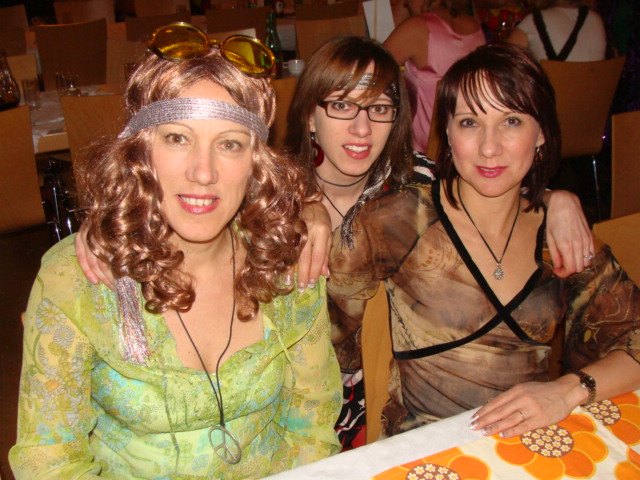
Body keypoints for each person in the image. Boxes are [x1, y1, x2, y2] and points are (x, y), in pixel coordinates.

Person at [76, 36, 593, 449]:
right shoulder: (260, 189)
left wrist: (556, 198)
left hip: (387, 400)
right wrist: (107, 226)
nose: (362, 128)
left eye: (381, 108)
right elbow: (180, 203)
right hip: (278, 394)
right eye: (342, 105)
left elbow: (491, 179)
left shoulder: (413, 183)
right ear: (309, 115)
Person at [9, 24, 341, 479]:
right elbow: (49, 461)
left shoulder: (286, 265)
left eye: (229, 144)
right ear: (139, 152)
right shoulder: (79, 279)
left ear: (255, 163)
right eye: (177, 138)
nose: (203, 173)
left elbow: (313, 420)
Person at [327, 42, 640, 441]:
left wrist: (566, 391)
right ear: (448, 132)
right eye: (469, 122)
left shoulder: (561, 237)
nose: (489, 148)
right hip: (429, 450)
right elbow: (319, 333)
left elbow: (633, 337)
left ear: (541, 133)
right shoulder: (400, 219)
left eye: (511, 121)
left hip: (534, 444)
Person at [384, 0, 485, 153]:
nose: (405, 4)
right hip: (467, 138)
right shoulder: (473, 25)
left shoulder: (418, 28)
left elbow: (370, 70)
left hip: (423, 149)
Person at [507, 0, 606, 61]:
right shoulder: (596, 20)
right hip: (593, 89)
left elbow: (505, 58)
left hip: (552, 89)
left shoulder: (535, 20)